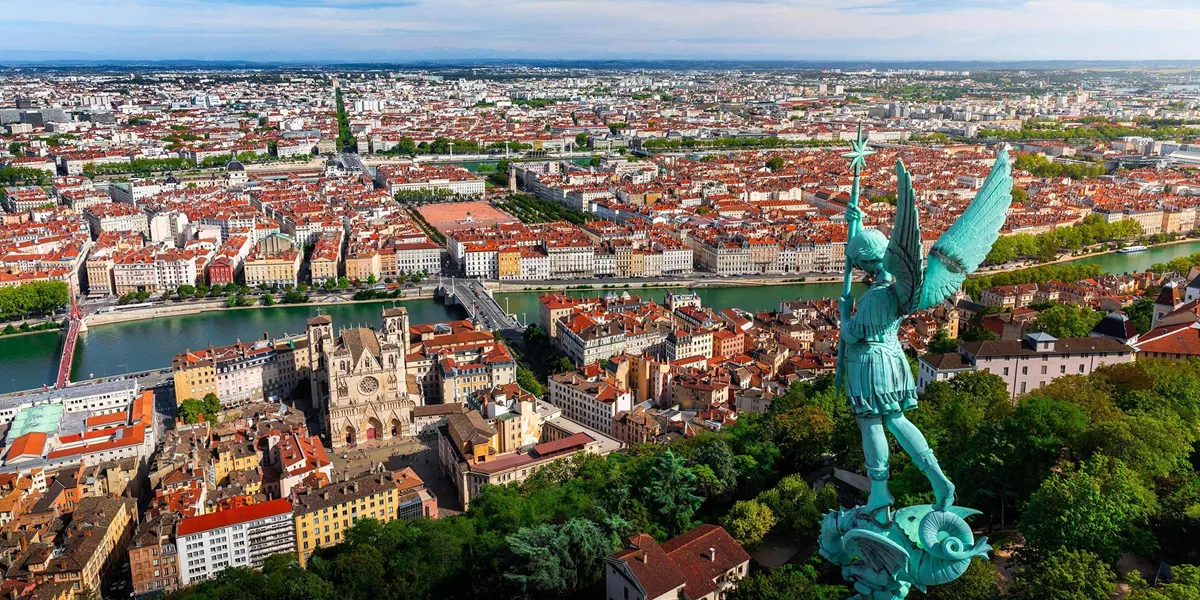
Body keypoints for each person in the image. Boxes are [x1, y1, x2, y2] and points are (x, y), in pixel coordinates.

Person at [838, 222, 954, 514]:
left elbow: (853, 334)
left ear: (867, 260)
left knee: (871, 424)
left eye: (860, 262)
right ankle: (937, 476)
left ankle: (879, 491)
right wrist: (858, 221)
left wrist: (843, 313)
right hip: (893, 359)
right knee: (897, 420)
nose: (858, 268)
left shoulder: (877, 296)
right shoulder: (896, 287)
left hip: (869, 364)